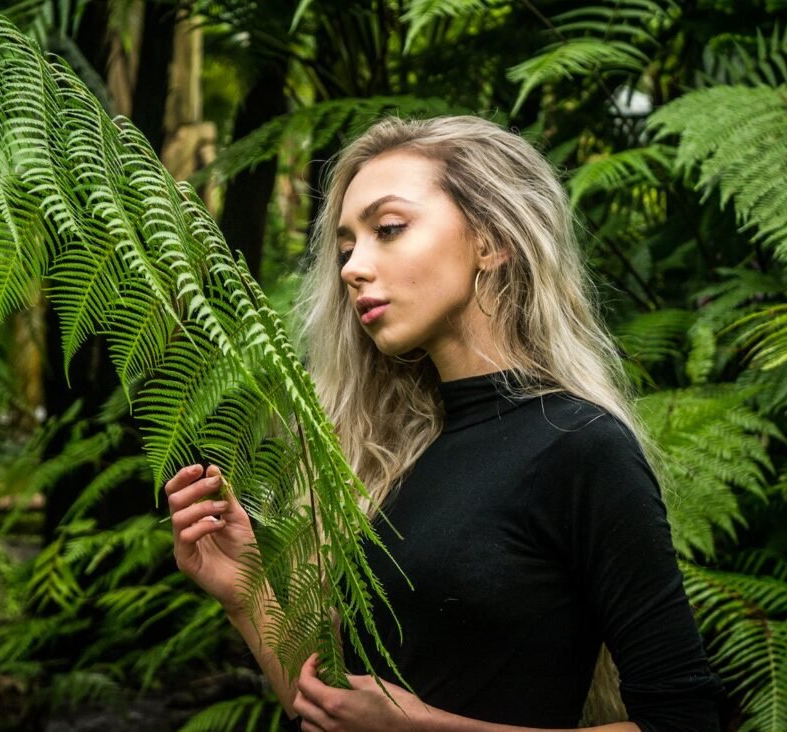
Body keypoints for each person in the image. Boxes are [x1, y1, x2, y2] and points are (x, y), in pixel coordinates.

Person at [163, 116, 723, 731]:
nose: (352, 267)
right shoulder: (388, 456)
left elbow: (685, 722)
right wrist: (249, 595)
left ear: (491, 239)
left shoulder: (579, 446)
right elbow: (327, 709)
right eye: (348, 246)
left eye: (389, 229)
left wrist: (419, 729)